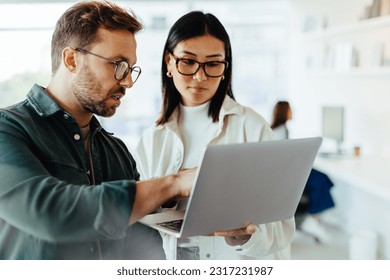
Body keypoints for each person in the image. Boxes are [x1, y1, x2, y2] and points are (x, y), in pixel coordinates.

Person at [0, 1, 196, 260]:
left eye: (130, 69)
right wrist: (173, 183)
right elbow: (52, 214)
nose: (127, 82)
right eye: (117, 65)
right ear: (71, 59)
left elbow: (144, 250)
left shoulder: (117, 152)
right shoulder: (9, 130)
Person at [134, 11, 295, 260]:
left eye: (212, 64)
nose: (200, 76)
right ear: (168, 62)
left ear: (224, 68)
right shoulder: (151, 139)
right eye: (188, 61)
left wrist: (244, 237)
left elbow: (282, 229)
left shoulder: (251, 127)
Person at [270, 101, 335, 242]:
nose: (292, 112)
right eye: (290, 110)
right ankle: (314, 216)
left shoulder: (281, 129)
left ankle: (315, 216)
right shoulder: (280, 131)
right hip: (287, 174)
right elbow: (281, 158)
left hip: (290, 169)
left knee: (323, 178)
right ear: (284, 112)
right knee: (320, 180)